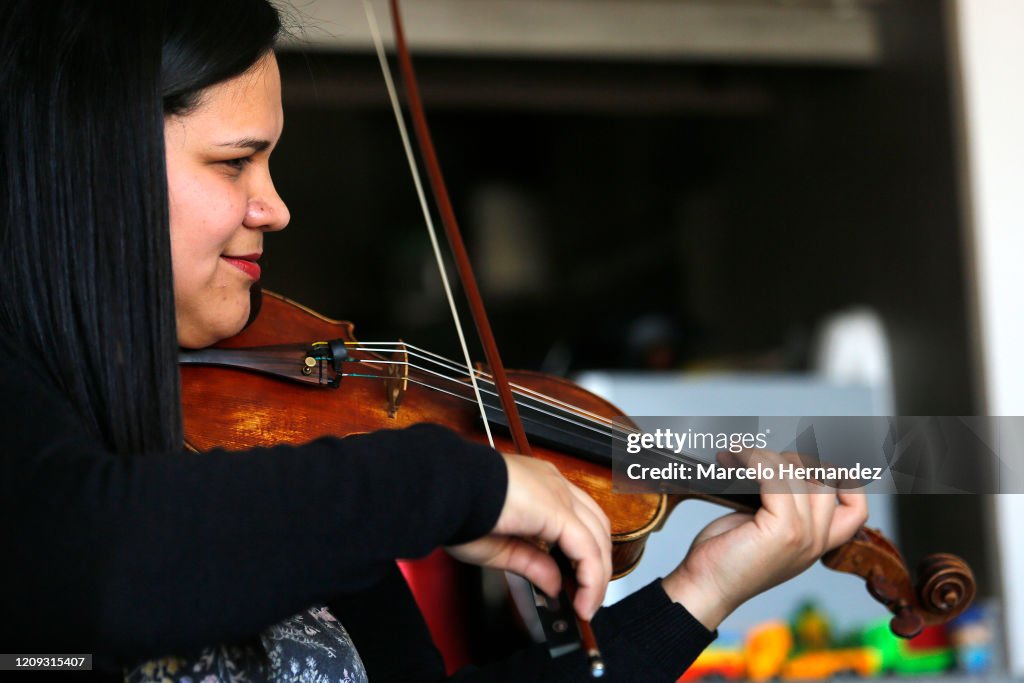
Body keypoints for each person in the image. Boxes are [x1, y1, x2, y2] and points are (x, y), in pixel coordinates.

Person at [0, 1, 868, 681]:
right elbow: (98, 568)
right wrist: (458, 477)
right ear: (97, 169)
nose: (275, 207)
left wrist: (694, 596)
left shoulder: (283, 454)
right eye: (234, 162)